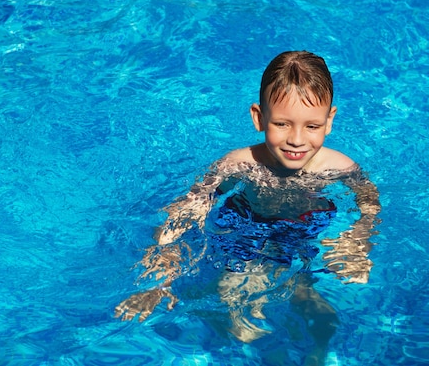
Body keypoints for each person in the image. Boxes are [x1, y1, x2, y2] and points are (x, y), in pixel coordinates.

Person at [115, 51, 381, 360]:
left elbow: (369, 200)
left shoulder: (338, 167)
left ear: (329, 121)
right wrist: (163, 263)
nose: (296, 139)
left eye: (312, 126)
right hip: (244, 224)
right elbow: (193, 203)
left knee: (318, 312)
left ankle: (313, 348)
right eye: (282, 124)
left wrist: (359, 239)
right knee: (241, 314)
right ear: (259, 117)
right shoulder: (240, 164)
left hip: (303, 226)